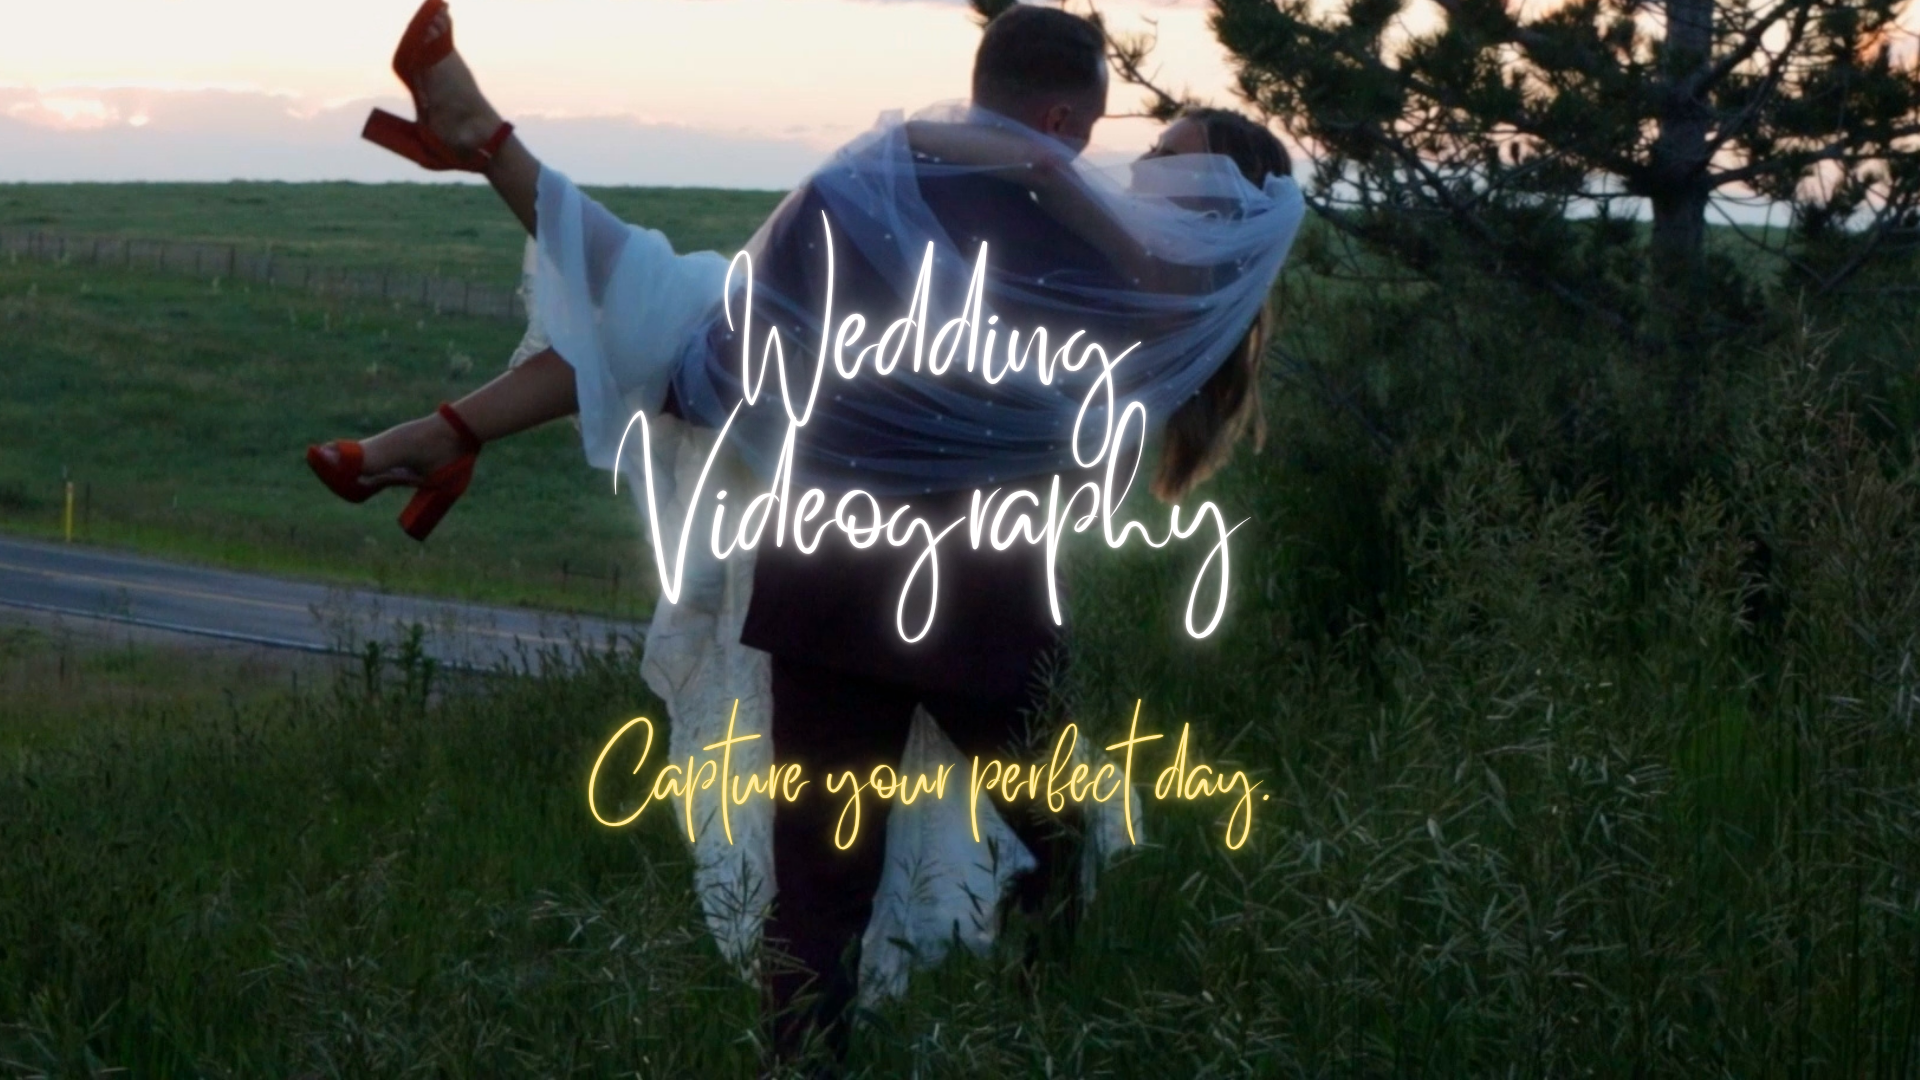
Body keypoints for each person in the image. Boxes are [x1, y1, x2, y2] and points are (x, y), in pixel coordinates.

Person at [307, 2, 1304, 1069]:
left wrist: (949, 153)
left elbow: (736, 353)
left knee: (852, 880)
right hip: (968, 602)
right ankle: (1024, 1017)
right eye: (1136, 152)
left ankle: (459, 354)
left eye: (1170, 172)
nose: (1137, 175)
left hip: (842, 578)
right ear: (1060, 114)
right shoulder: (1096, 253)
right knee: (1025, 846)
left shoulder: (919, 196)